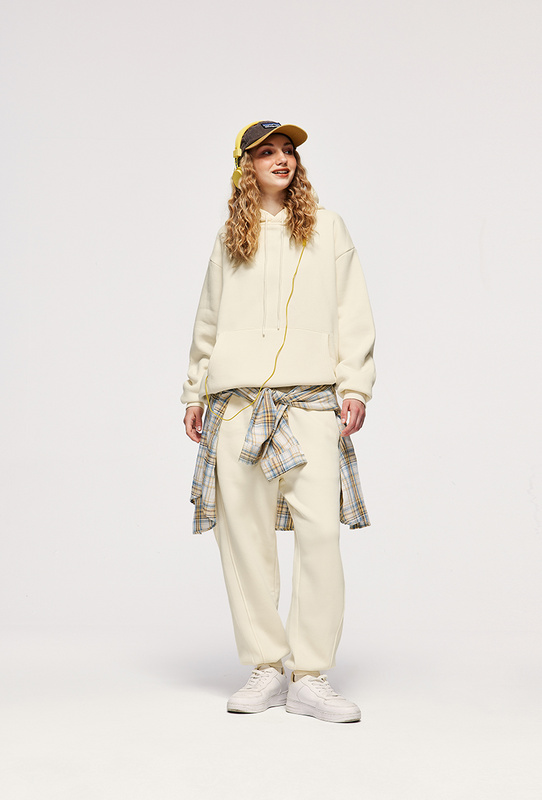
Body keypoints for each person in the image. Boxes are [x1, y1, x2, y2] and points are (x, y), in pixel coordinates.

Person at [181, 120, 376, 723]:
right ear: (246, 166)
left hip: (309, 404)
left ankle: (310, 675)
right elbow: (208, 317)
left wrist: (355, 384)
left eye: (287, 150)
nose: (281, 159)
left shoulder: (327, 227)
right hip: (237, 404)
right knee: (244, 538)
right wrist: (195, 391)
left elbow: (352, 309)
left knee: (320, 537)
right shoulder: (229, 237)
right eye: (267, 152)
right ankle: (266, 666)